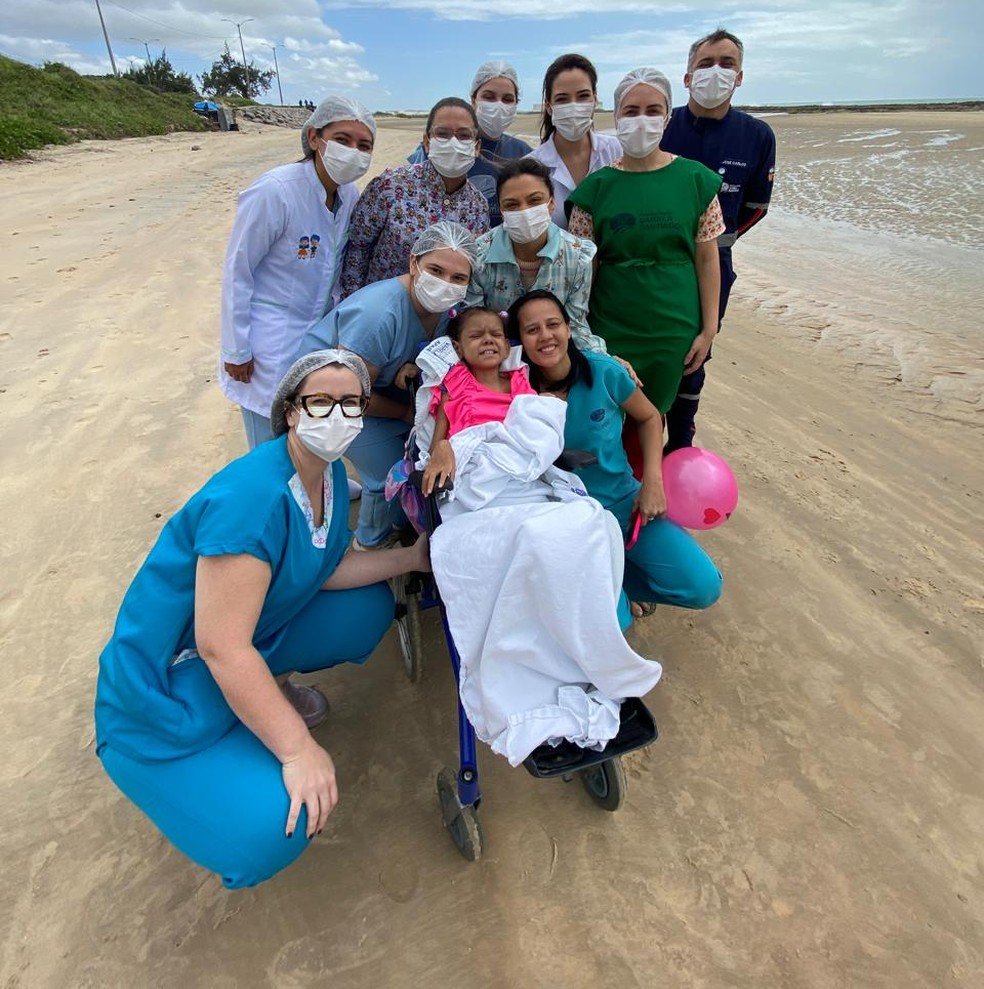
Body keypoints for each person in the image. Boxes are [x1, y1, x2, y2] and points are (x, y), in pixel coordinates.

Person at [94, 350, 431, 889]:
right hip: (165, 689)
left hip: (244, 635)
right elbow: (222, 646)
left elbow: (323, 565)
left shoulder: (325, 474)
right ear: (291, 411)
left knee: (365, 609)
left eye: (352, 403)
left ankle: (263, 697)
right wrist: (297, 749)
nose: (338, 415)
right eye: (320, 402)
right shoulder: (252, 501)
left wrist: (410, 559)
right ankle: (193, 754)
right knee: (277, 827)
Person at [511, 290, 721, 618]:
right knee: (616, 620)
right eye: (532, 329)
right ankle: (611, 593)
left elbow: (649, 417)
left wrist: (652, 482)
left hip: (624, 503)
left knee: (703, 587)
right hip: (564, 521)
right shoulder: (516, 391)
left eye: (553, 324)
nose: (545, 336)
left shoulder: (604, 371)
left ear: (568, 328)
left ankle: (623, 583)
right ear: (521, 341)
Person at [300, 221, 478, 549]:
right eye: (435, 270)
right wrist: (404, 413)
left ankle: (401, 522)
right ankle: (370, 545)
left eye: (458, 278)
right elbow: (347, 393)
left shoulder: (446, 311)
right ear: (413, 263)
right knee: (388, 472)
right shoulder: (379, 314)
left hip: (380, 389)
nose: (445, 284)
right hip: (332, 401)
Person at [218, 96, 376, 452]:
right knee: (268, 441)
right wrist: (236, 348)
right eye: (343, 139)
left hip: (314, 337)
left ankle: (309, 481)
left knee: (309, 429)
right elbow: (238, 269)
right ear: (314, 137)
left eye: (363, 145)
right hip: (267, 340)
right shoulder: (276, 190)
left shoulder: (349, 195)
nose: (353, 151)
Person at [567, 67, 724, 415]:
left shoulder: (696, 181)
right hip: (610, 323)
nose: (642, 119)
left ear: (667, 118)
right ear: (616, 117)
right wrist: (581, 331)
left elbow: (707, 259)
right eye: (631, 111)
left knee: (654, 415)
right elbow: (582, 271)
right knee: (607, 415)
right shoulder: (595, 190)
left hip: (675, 325)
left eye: (653, 110)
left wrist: (709, 328)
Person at [661, 28, 777, 451]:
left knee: (697, 350)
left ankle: (681, 439)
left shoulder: (757, 135)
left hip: (715, 264)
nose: (716, 72)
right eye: (705, 64)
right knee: (653, 345)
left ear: (740, 76)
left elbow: (756, 207)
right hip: (657, 261)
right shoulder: (662, 124)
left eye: (726, 64)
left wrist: (713, 243)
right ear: (687, 77)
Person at [338, 98, 489, 298]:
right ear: (427, 142)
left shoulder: (479, 206)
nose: (454, 143)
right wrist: (355, 302)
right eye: (442, 134)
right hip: (379, 307)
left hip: (441, 314)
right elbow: (357, 248)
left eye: (464, 136)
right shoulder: (390, 185)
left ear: (476, 147)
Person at [464, 158, 604, 353]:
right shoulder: (478, 256)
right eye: (512, 205)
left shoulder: (578, 256)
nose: (524, 211)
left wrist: (606, 363)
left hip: (553, 355)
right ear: (501, 211)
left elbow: (576, 327)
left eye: (534, 200)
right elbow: (472, 325)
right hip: (495, 357)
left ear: (552, 203)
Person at [421, 306, 536, 495]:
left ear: (507, 347)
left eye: (496, 334)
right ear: (458, 349)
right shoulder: (454, 388)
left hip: (525, 480)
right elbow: (435, 450)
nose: (488, 340)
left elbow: (538, 434)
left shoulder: (521, 385)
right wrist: (443, 446)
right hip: (472, 483)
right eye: (476, 336)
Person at [407, 61, 534, 227]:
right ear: (474, 99)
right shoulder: (439, 147)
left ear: (516, 104)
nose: (498, 106)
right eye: (489, 97)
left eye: (507, 99)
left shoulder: (523, 153)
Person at [526, 54, 622, 230]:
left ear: (594, 99)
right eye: (562, 99)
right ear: (548, 106)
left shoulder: (617, 151)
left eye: (583, 96)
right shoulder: (531, 167)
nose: (574, 106)